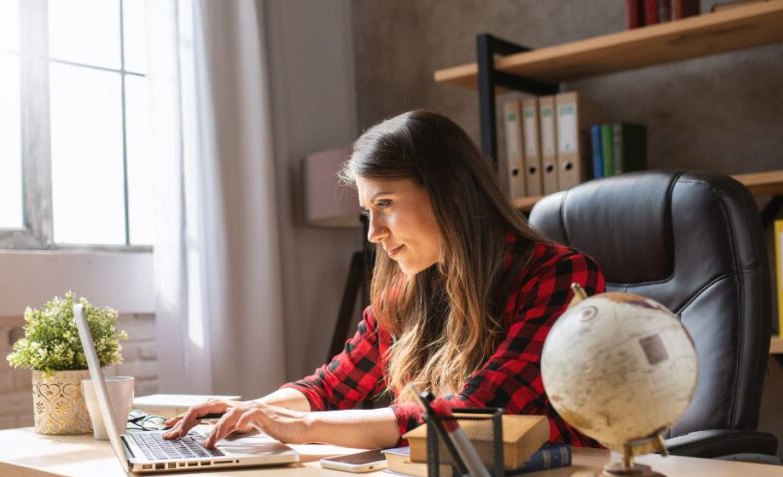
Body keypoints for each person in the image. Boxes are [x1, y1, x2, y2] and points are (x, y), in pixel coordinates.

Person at [163, 110, 605, 450]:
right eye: (367, 212)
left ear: (449, 193)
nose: (374, 232)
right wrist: (253, 410)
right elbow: (332, 387)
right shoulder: (406, 292)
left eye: (386, 203)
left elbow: (479, 416)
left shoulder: (561, 277)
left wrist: (305, 429)